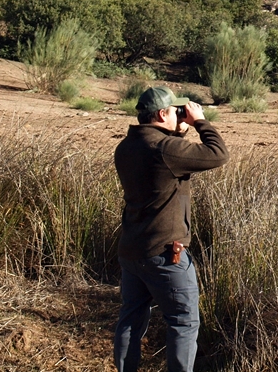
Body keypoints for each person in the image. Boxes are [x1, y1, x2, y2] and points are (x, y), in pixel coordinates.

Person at [113, 86, 229, 372]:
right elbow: (218, 154)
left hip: (132, 249)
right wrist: (200, 121)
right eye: (176, 111)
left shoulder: (127, 145)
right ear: (163, 113)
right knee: (184, 321)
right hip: (165, 253)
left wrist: (179, 128)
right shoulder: (165, 150)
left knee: (131, 317)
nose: (181, 116)